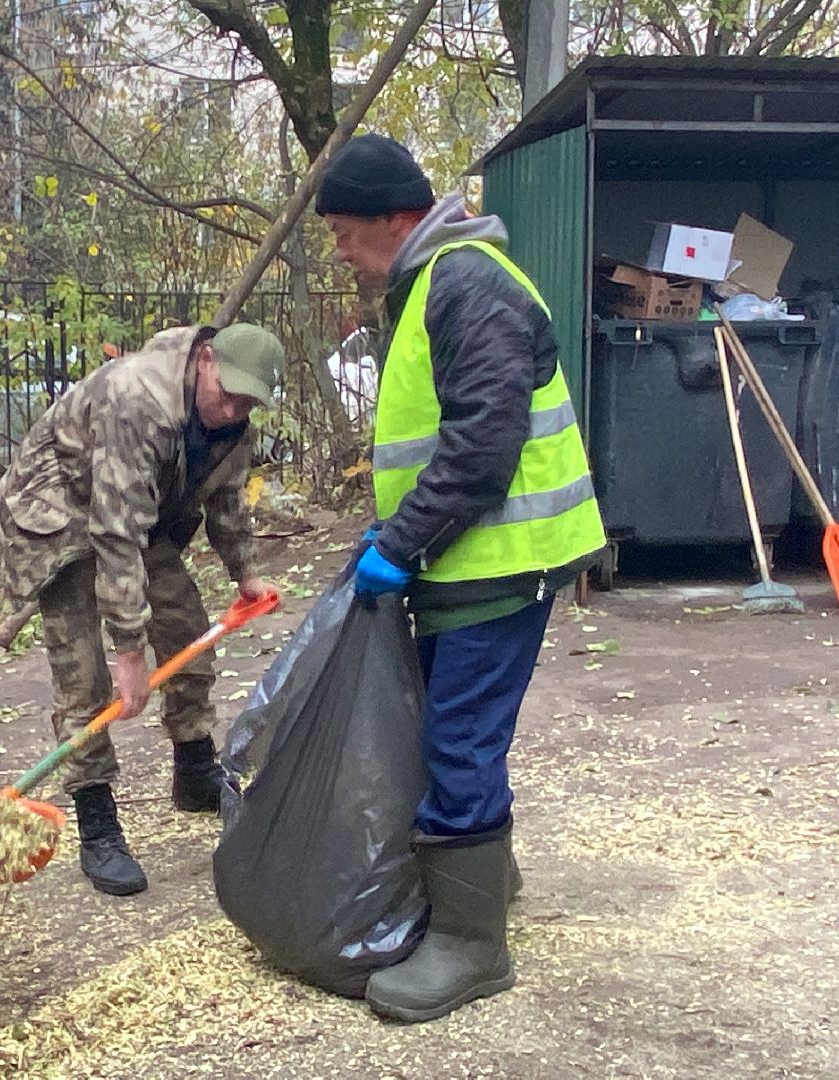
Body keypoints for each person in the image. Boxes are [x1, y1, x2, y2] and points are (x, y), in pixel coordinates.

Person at [316, 134, 606, 1022]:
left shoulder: (466, 283)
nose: (337, 250)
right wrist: (396, 538)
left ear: (397, 219)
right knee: (457, 729)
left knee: (459, 739)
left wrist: (399, 545)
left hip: (497, 562)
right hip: (464, 559)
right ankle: (486, 881)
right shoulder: (432, 284)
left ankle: (472, 947)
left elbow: (483, 446)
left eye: (343, 231)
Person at [0, 322, 282, 896]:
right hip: (55, 514)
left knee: (188, 633)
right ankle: (97, 820)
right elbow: (115, 530)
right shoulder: (138, 400)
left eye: (247, 403)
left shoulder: (233, 422)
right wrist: (129, 648)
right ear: (205, 360)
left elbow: (226, 500)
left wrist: (246, 573)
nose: (231, 410)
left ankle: (195, 767)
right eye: (227, 394)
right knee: (87, 680)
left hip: (130, 516)